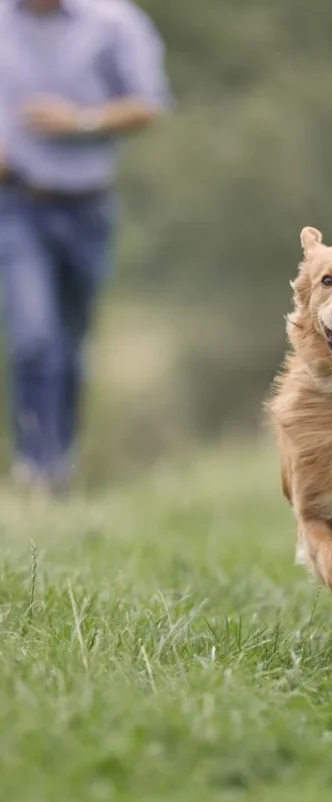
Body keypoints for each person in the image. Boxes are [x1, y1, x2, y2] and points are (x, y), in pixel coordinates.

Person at [0, 0, 170, 494]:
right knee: (33, 336)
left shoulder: (114, 22)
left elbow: (148, 104)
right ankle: (36, 465)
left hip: (87, 205)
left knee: (70, 343)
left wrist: (80, 120)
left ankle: (62, 459)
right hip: (15, 203)